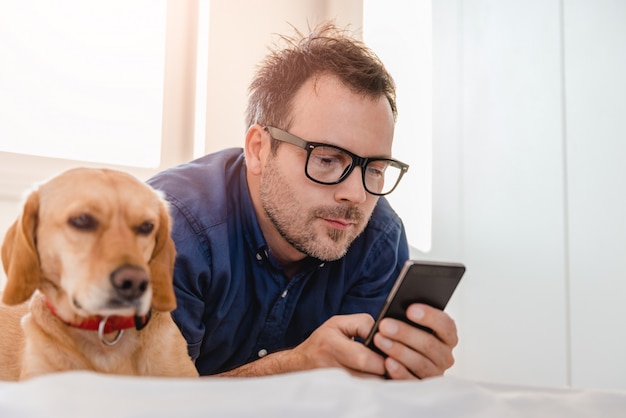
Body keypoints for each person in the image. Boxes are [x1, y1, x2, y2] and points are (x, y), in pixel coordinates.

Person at [147, 21, 458, 380]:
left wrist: (401, 378)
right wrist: (293, 367)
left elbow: (358, 397)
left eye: (375, 168)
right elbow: (146, 404)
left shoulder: (379, 238)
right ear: (259, 150)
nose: (356, 195)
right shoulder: (168, 230)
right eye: (326, 160)